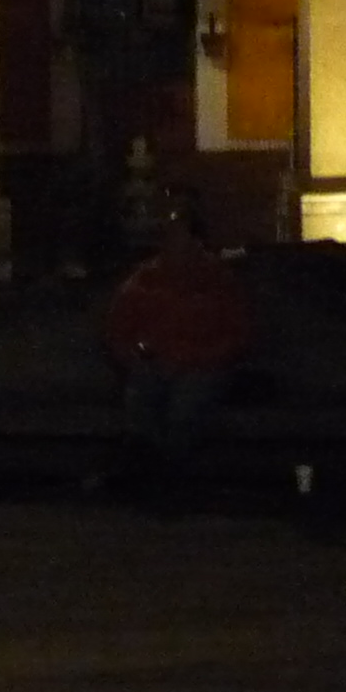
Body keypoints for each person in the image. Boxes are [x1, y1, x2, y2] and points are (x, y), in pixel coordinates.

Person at [99, 192, 252, 498]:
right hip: (157, 363)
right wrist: (138, 357)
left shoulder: (216, 280)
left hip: (202, 366)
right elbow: (119, 330)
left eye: (181, 234)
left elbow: (238, 332)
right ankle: (156, 477)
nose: (175, 243)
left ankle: (165, 478)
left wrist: (201, 358)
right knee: (141, 400)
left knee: (185, 407)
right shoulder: (145, 280)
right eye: (170, 236)